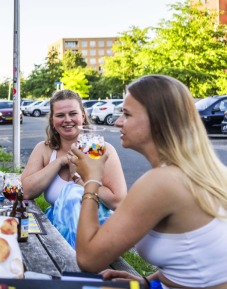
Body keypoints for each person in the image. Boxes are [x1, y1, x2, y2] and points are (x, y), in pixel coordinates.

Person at [70, 75, 227, 288]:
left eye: (126, 114)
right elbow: (194, 254)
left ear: (157, 122)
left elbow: (88, 260)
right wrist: (147, 281)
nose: (117, 122)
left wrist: (91, 180)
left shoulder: (163, 181)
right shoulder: (202, 170)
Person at [21, 89, 127, 248]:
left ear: (83, 116)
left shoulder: (104, 150)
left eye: (73, 113)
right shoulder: (44, 149)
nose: (67, 120)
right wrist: (59, 162)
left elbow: (118, 201)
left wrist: (79, 179)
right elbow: (26, 191)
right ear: (52, 119)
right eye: (60, 115)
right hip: (56, 231)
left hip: (96, 236)